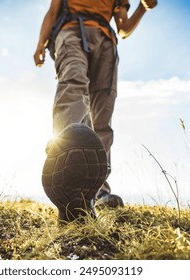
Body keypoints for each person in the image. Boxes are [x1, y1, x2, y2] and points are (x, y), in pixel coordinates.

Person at [34, 0, 158, 222]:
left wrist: (143, 8)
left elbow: (123, 27)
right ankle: (68, 172)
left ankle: (97, 190)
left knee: (102, 114)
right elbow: (53, 11)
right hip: (70, 31)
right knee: (73, 84)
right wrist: (40, 44)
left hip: (106, 41)